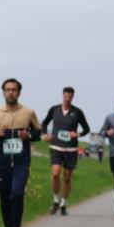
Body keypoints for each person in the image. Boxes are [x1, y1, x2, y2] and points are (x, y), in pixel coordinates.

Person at [0, 79, 42, 227]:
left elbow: (38, 132)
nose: (11, 92)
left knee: (16, 194)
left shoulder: (28, 112)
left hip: (21, 163)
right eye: (7, 89)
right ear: (3, 92)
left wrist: (28, 136)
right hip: (2, 164)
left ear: (19, 92)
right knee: (4, 198)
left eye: (14, 90)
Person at [40, 87, 91, 215]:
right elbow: (44, 123)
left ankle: (64, 203)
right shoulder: (54, 109)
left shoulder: (78, 112)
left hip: (71, 149)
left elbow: (86, 129)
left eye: (70, 97)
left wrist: (77, 134)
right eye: (66, 96)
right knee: (55, 173)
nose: (67, 99)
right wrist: (44, 134)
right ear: (63, 96)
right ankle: (56, 200)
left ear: (72, 97)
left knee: (67, 178)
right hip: (56, 147)